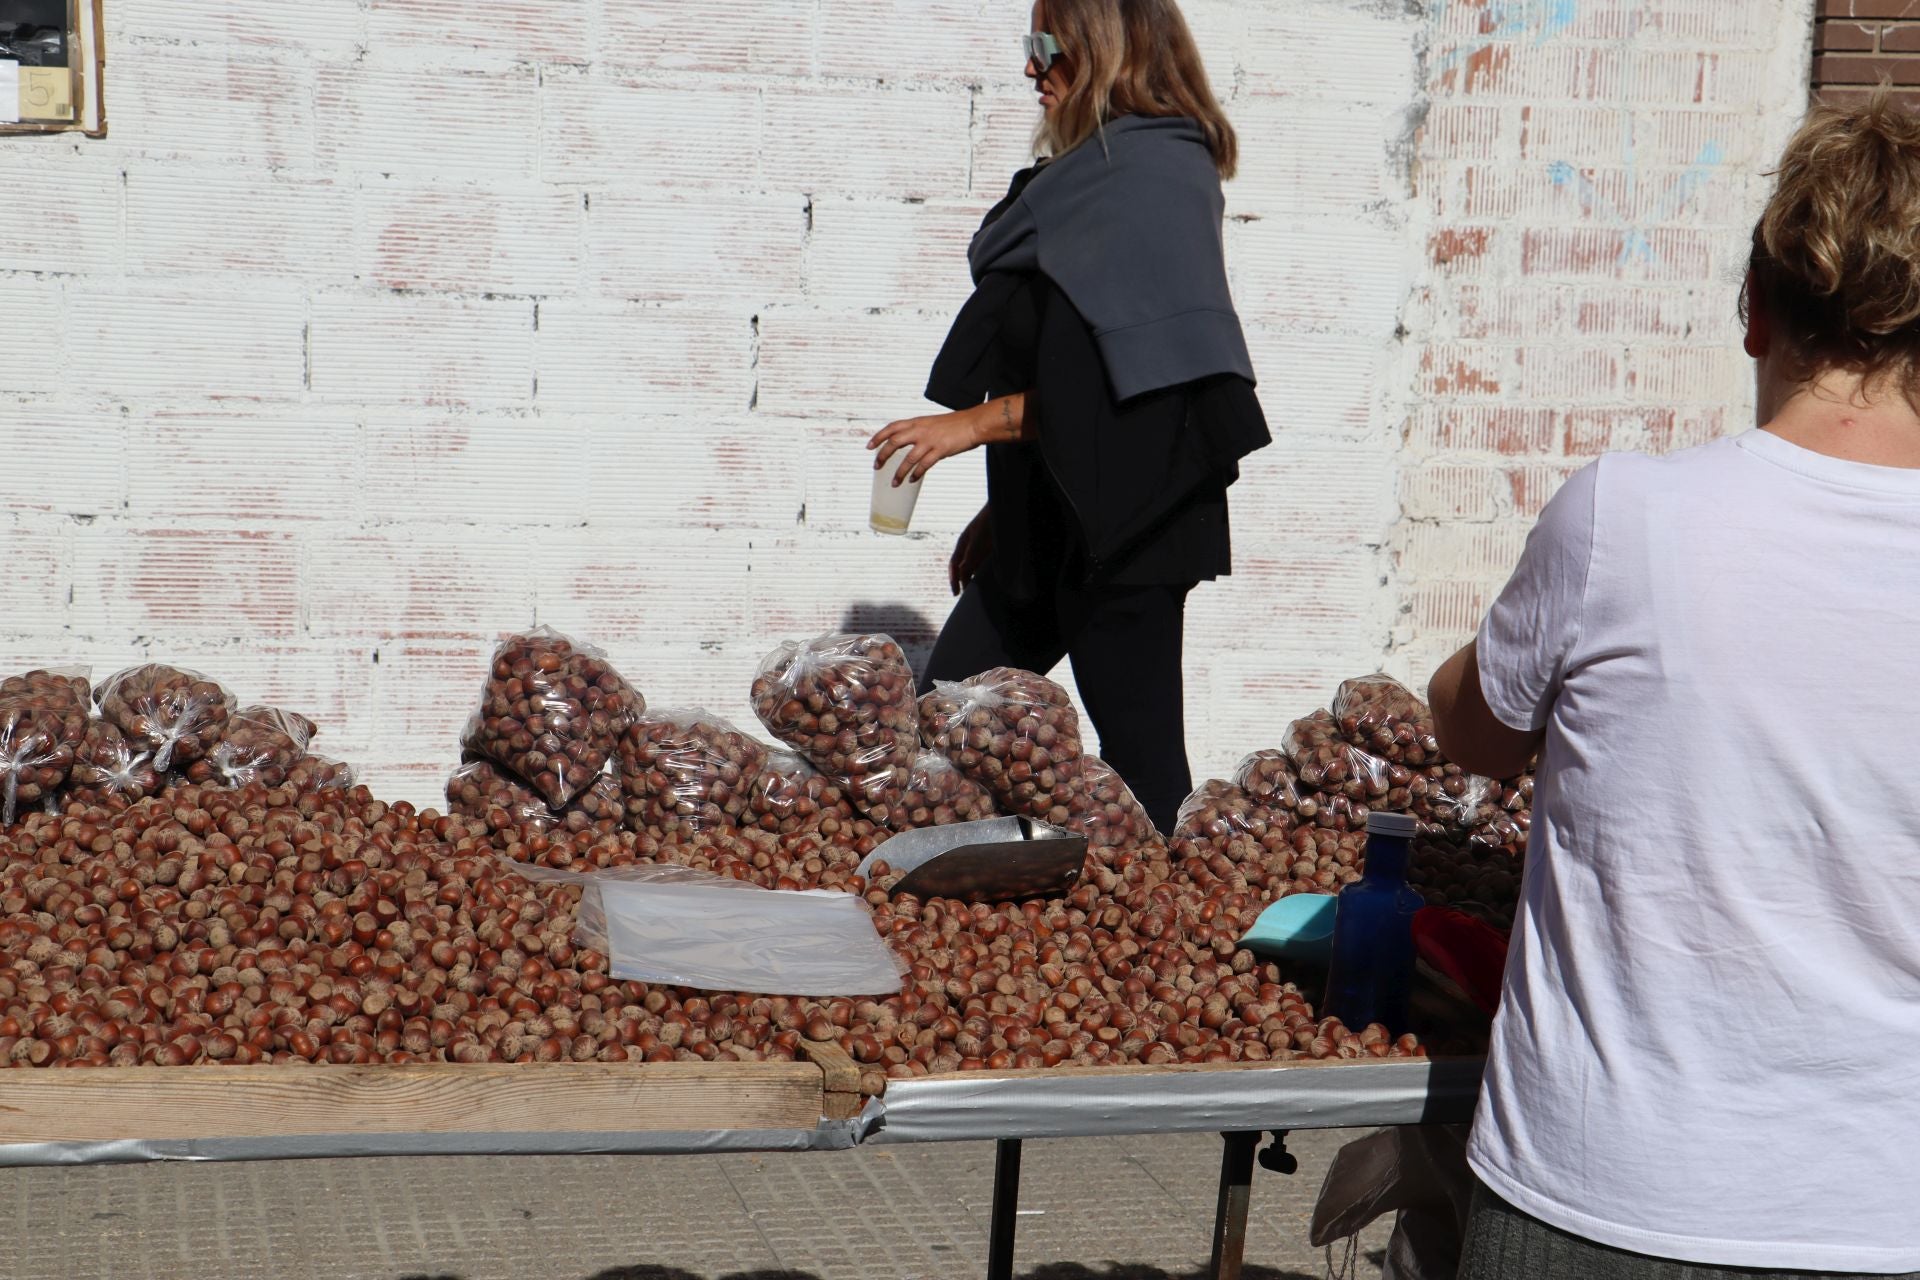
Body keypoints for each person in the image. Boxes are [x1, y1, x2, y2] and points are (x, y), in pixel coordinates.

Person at [1427, 94, 1920, 1278]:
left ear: (1755, 311)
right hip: (1882, 1205)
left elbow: (1473, 735)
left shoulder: (1627, 518)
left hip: (1598, 1195)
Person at [865, 0, 1270, 835]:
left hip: (1133, 523)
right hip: (1055, 515)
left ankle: (1182, 944)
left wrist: (967, 428)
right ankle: (931, 916)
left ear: (1099, 47)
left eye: (1042, 45)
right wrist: (1008, 503)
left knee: (1144, 767)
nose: (1028, 67)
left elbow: (1130, 395)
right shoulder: (1090, 177)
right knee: (943, 722)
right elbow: (1075, 366)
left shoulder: (1156, 174)